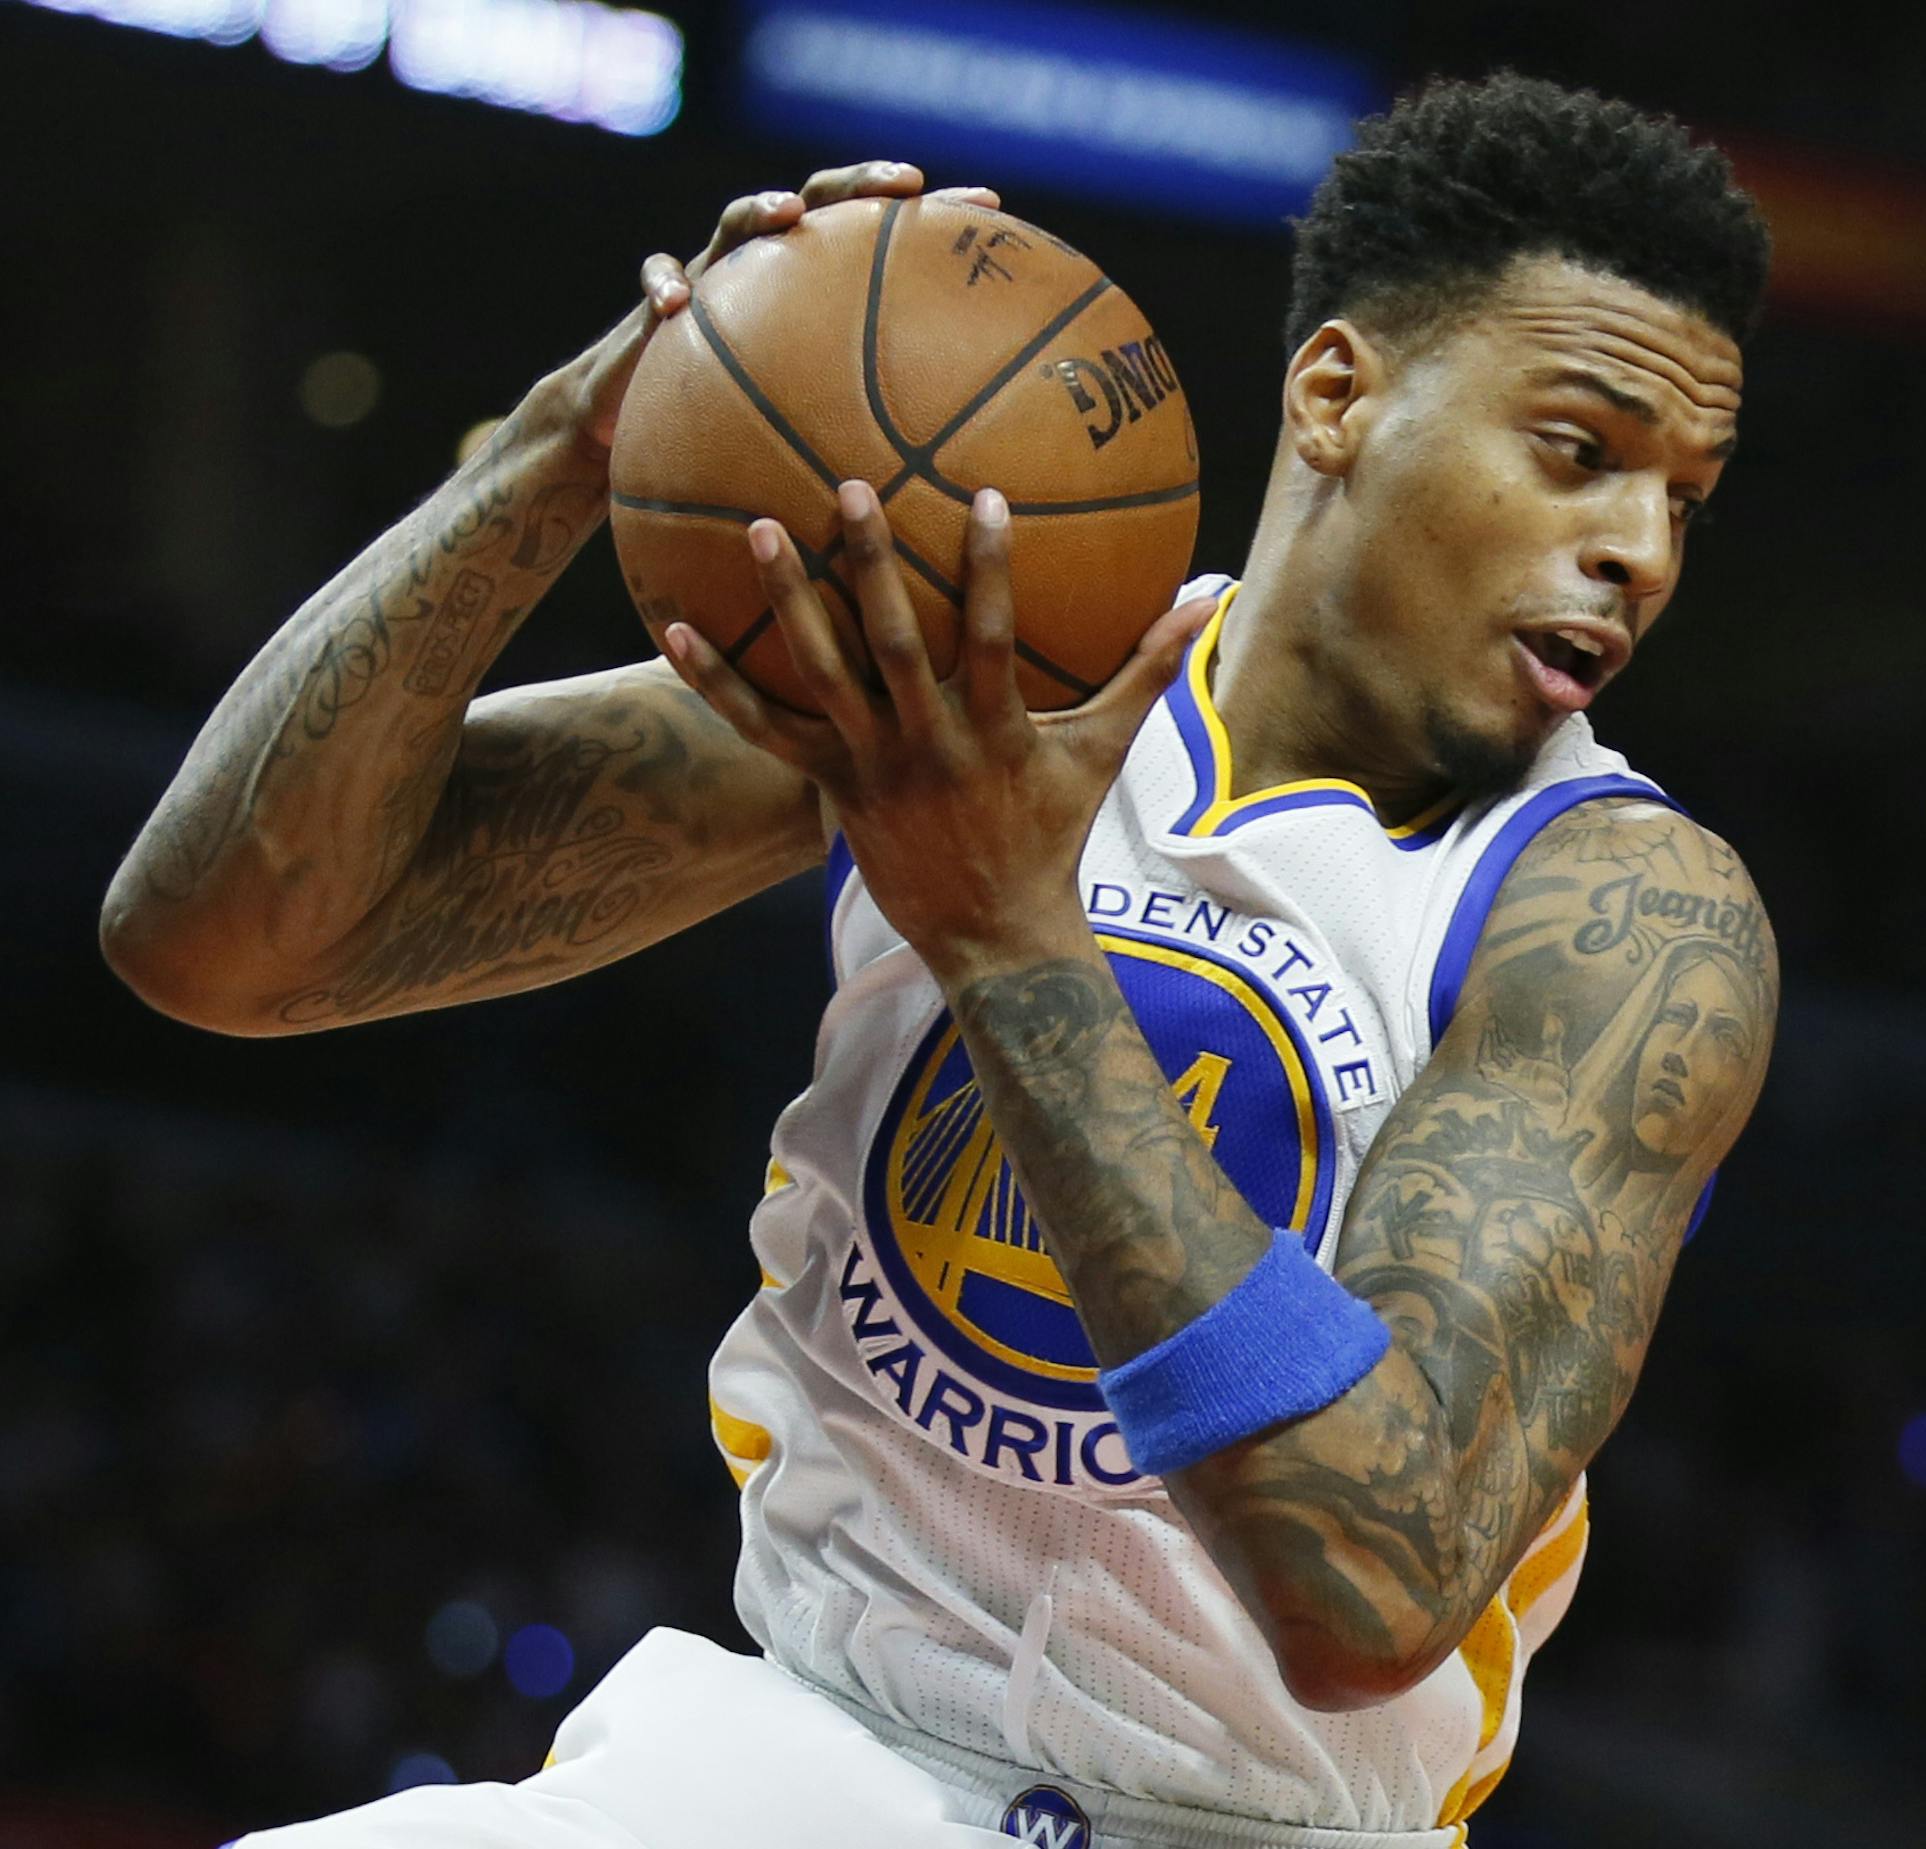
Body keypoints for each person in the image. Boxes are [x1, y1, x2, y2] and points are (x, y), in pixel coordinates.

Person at [102, 70, 1779, 1849]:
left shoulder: (1626, 915)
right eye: (1580, 453)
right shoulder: (976, 688)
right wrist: (562, 454)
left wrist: (1006, 931)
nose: (1638, 551)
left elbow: (1370, 1581)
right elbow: (222, 942)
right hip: (796, 1763)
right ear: (1337, 394)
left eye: (1687, 496)